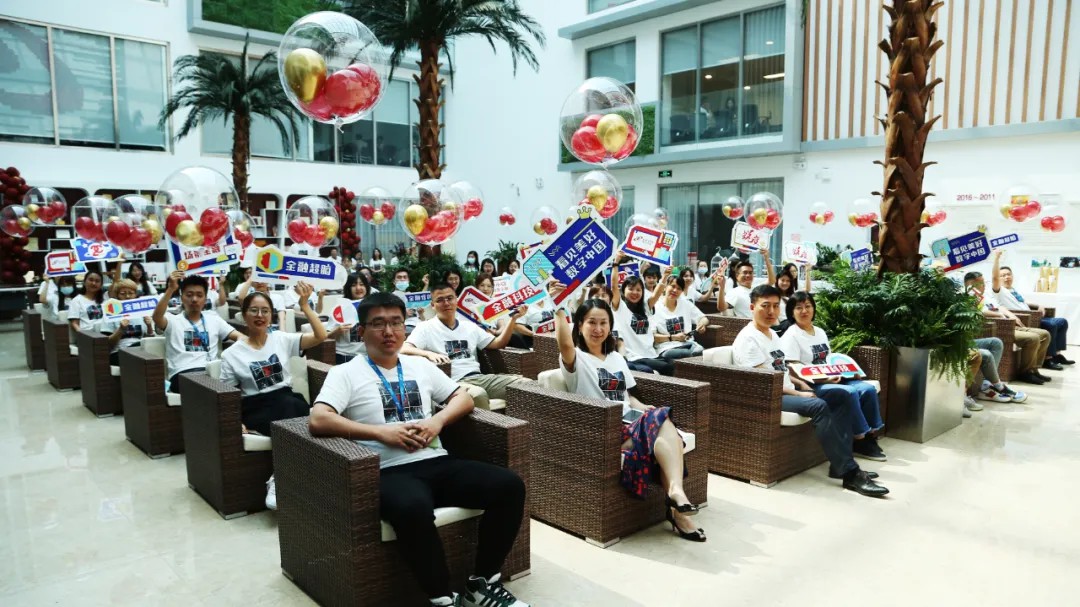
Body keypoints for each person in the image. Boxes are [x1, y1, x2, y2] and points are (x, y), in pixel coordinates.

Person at [308, 292, 529, 607]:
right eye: (378, 324)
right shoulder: (345, 373)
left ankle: (482, 584)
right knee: (412, 507)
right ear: (361, 331)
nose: (389, 331)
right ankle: (442, 598)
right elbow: (318, 419)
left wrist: (437, 422)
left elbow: (463, 398)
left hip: (436, 461)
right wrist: (381, 433)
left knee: (509, 486)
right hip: (388, 471)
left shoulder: (419, 366)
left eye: (396, 323)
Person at [547, 280, 705, 542]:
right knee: (663, 423)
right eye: (591, 323)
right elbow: (563, 343)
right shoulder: (575, 358)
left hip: (630, 424)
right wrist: (558, 307)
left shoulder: (617, 359)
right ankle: (676, 505)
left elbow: (628, 396)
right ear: (580, 326)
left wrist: (643, 408)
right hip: (604, 430)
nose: (598, 329)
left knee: (661, 423)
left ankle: (677, 499)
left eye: (603, 323)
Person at [732, 285, 888, 497]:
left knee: (842, 395)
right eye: (765, 306)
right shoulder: (749, 339)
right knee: (818, 405)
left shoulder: (771, 334)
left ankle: (840, 465)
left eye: (776, 306)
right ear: (752, 307)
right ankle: (850, 473)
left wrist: (800, 383)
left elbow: (781, 369)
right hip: (768, 397)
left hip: (786, 389)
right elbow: (763, 383)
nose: (771, 312)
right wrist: (799, 393)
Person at [219, 283, 327, 510]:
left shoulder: (281, 339)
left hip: (286, 399)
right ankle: (285, 479)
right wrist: (236, 421)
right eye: (254, 310)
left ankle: (282, 476)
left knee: (292, 405)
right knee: (298, 413)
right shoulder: (231, 354)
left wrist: (305, 306)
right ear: (244, 315)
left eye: (265, 311)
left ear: (271, 316)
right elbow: (227, 395)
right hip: (256, 406)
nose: (260, 315)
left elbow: (321, 335)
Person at [779, 291, 886, 461]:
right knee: (850, 392)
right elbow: (792, 368)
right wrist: (824, 379)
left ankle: (870, 436)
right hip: (813, 383)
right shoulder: (791, 335)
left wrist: (848, 372)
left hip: (833, 377)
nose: (804, 311)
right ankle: (859, 438)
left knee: (867, 389)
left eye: (808, 306)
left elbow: (828, 359)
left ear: (814, 308)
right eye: (798, 308)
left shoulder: (820, 331)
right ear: (791, 312)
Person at [403, 283, 527, 410]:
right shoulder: (425, 328)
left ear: (456, 300)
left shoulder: (469, 326)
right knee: (478, 394)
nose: (446, 303)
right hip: (452, 384)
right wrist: (429, 354)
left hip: (479, 378)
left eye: (450, 298)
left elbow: (498, 343)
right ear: (433, 305)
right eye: (440, 300)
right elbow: (404, 348)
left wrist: (513, 320)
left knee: (525, 385)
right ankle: (490, 423)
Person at [965, 255, 1052, 384]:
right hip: (999, 327)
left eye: (984, 282)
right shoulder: (969, 297)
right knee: (1033, 338)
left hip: (1009, 322)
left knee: (1045, 334)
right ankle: (1025, 372)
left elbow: (999, 306)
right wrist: (999, 315)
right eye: (980, 283)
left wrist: (1011, 315)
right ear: (971, 284)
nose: (984, 285)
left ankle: (1034, 369)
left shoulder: (986, 296)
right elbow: (978, 312)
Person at [152, 271, 242, 394]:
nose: (194, 299)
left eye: (199, 295)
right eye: (189, 295)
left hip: (212, 371)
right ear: (181, 297)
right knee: (216, 389)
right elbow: (157, 317)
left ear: (205, 299)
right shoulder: (172, 320)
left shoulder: (214, 319)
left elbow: (239, 336)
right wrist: (171, 289)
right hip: (183, 374)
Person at [610, 254, 675, 376]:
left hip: (651, 354)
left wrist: (665, 276)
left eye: (638, 290)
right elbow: (614, 287)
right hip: (634, 356)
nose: (635, 292)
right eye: (631, 289)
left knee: (672, 364)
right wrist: (616, 263)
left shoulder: (645, 306)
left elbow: (656, 293)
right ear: (623, 290)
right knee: (667, 367)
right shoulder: (619, 307)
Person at [998, 264, 1073, 367]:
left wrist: (1038, 305)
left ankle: (1057, 354)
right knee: (1051, 325)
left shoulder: (1013, 289)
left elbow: (1023, 302)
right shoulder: (1000, 291)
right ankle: (1047, 359)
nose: (1007, 277)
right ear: (998, 278)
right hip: (1025, 318)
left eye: (1008, 274)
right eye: (1003, 275)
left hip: (1033, 315)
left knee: (1062, 322)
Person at [98, 278, 155, 365]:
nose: (127, 296)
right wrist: (120, 330)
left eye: (131, 293)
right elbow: (106, 344)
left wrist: (149, 326)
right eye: (123, 293)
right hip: (118, 353)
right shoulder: (111, 313)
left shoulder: (141, 313)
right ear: (117, 295)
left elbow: (149, 341)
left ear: (135, 294)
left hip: (140, 350)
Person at [968, 335, 1027, 409]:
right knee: (986, 355)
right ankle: (999, 387)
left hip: (963, 342)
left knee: (996, 343)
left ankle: (987, 386)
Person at [325, 273, 370, 363]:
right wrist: (337, 331)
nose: (358, 288)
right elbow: (326, 336)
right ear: (348, 287)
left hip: (369, 355)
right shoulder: (340, 307)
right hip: (345, 355)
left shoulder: (374, 305)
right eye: (353, 285)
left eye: (361, 284)